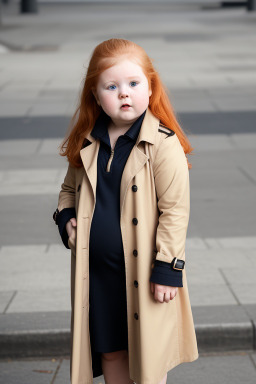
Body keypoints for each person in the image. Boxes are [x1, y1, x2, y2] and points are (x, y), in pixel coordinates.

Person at [53, 38, 199, 384]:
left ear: (150, 88)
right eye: (112, 86)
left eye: (133, 84)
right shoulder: (87, 141)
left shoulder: (162, 145)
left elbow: (175, 211)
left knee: (149, 356)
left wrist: (167, 268)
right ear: (95, 94)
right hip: (99, 275)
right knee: (110, 350)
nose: (124, 93)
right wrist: (66, 218)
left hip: (146, 272)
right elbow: (67, 191)